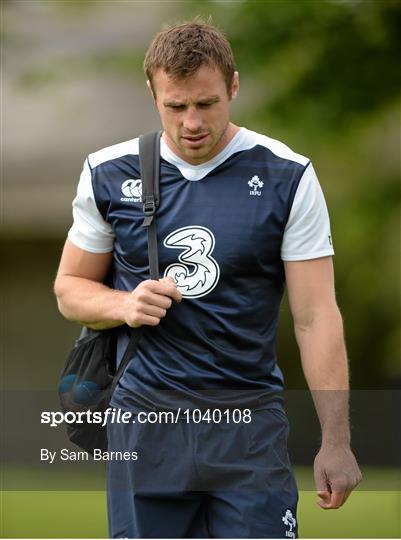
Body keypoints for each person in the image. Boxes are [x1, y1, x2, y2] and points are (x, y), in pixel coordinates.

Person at [54, 19, 362, 539]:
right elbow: (69, 290)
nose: (191, 122)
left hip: (249, 426)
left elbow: (315, 317)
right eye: (176, 107)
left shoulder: (288, 176)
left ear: (234, 87)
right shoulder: (108, 172)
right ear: (152, 92)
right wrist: (124, 305)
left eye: (207, 104)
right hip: (146, 423)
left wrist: (336, 439)